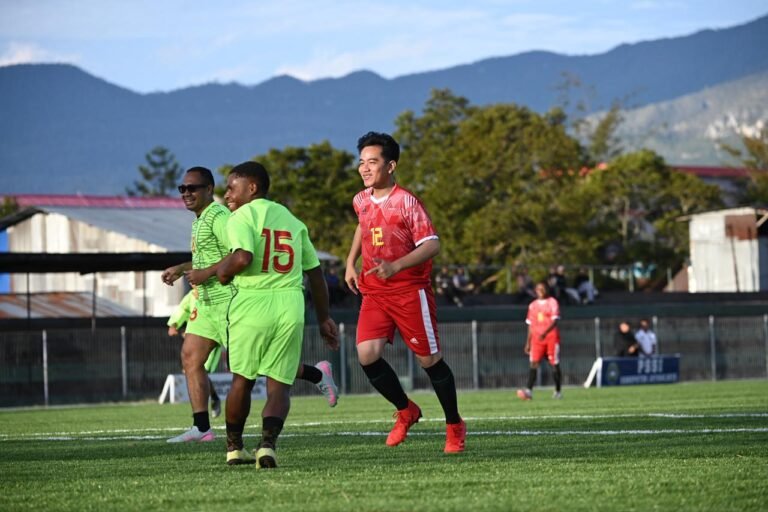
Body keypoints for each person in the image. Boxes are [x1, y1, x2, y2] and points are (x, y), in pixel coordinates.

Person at [345, 131, 466, 454]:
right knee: (366, 355)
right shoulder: (360, 199)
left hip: (410, 291)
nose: (365, 168)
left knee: (429, 361)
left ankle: (454, 424)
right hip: (375, 292)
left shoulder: (407, 202)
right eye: (361, 162)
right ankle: (406, 410)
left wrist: (396, 266)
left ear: (391, 166)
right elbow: (362, 224)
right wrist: (350, 261)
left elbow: (433, 244)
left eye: (372, 162)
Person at [216, 161, 339, 469]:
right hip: (290, 305)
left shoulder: (240, 217)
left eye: (232, 187)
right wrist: (324, 318)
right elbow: (315, 274)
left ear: (252, 188)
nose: (227, 194)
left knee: (241, 381)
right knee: (279, 386)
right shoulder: (293, 220)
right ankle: (267, 446)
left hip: (252, 303)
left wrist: (221, 272)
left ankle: (234, 449)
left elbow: (242, 257)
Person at [161, 167, 236, 443]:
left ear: (209, 189)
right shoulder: (198, 219)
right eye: (182, 189)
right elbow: (206, 261)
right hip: (205, 304)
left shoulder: (219, 216)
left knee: (258, 365)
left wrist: (205, 274)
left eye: (193, 188)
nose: (187, 193)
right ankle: (202, 427)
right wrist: (182, 267)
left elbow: (238, 255)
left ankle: (316, 374)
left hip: (229, 302)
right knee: (190, 358)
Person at [167, 288, 223, 418]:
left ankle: (202, 408)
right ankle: (207, 404)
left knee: (198, 370)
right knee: (192, 370)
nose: (193, 282)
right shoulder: (191, 296)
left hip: (213, 339)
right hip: (197, 339)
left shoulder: (216, 291)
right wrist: (174, 324)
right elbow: (183, 309)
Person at [517, 282, 563, 400]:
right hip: (537, 339)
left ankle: (558, 391)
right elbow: (530, 325)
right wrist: (528, 342)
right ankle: (529, 391)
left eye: (543, 288)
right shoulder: (532, 305)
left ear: (547, 289)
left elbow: (555, 320)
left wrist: (545, 332)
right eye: (538, 289)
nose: (540, 290)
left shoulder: (552, 302)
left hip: (551, 337)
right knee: (534, 363)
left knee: (554, 363)